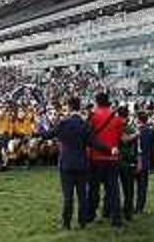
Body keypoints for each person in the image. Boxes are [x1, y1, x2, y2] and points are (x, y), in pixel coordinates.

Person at [46, 96, 92, 230]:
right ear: (79, 107)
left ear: (69, 106)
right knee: (82, 195)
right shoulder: (85, 124)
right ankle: (82, 222)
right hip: (82, 163)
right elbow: (93, 143)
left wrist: (37, 131)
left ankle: (66, 223)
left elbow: (49, 135)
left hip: (66, 163)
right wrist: (110, 149)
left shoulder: (63, 123)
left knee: (68, 196)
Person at [87, 92, 124, 227]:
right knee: (113, 190)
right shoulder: (117, 118)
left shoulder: (93, 116)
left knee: (93, 189)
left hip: (96, 157)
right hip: (112, 157)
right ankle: (116, 218)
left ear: (97, 102)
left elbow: (89, 136)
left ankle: (90, 215)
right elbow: (120, 138)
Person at [117, 106, 138, 221]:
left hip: (115, 160)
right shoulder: (129, 128)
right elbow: (125, 140)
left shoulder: (114, 125)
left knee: (114, 188)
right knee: (128, 189)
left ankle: (111, 210)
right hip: (125, 160)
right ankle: (127, 212)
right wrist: (136, 134)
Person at [135, 110, 154, 214]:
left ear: (138, 119)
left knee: (130, 186)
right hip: (146, 161)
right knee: (142, 186)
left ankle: (131, 206)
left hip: (135, 161)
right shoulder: (150, 131)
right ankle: (140, 207)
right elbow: (153, 149)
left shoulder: (136, 131)